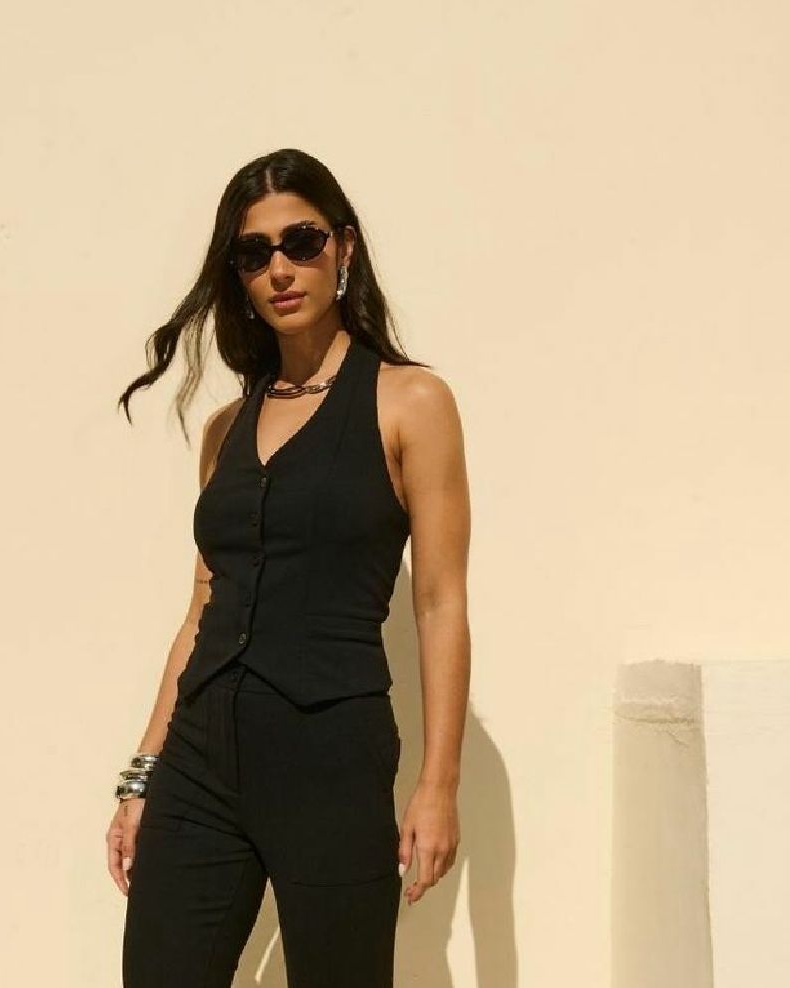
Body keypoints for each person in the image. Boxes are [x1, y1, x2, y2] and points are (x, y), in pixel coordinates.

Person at [109, 147, 471, 987]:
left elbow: (440, 602)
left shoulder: (411, 402)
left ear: (344, 248)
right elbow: (201, 611)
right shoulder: (225, 429)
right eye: (254, 253)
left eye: (301, 242)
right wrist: (143, 774)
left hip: (329, 753)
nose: (280, 268)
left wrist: (438, 783)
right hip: (202, 756)